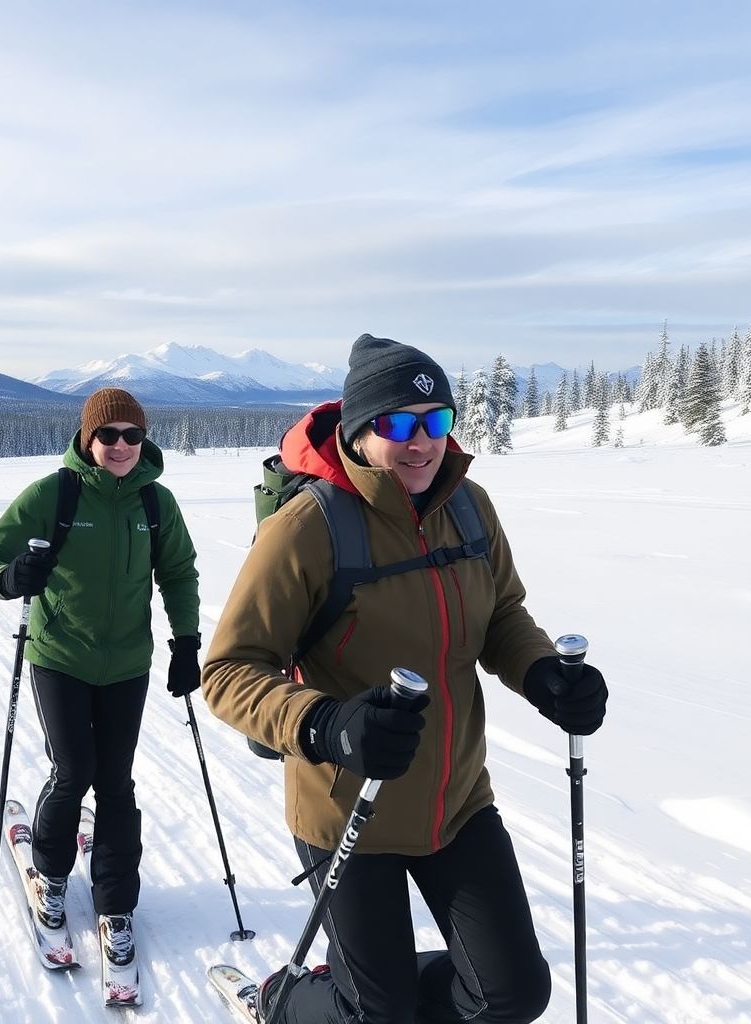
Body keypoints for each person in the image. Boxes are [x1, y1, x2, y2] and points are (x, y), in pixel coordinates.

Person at [202, 334, 608, 1024]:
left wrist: (542, 673)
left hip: (457, 799)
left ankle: (370, 987)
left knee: (512, 993)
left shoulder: (470, 505)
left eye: (436, 421)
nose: (420, 442)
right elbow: (229, 671)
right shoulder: (308, 527)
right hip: (346, 809)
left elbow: (502, 612)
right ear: (359, 432)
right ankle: (287, 998)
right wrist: (327, 723)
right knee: (376, 1014)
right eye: (396, 424)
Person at [0, 387, 201, 963]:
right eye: (108, 435)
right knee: (74, 771)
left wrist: (188, 641)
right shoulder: (54, 494)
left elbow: (179, 572)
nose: (121, 445)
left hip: (127, 663)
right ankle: (51, 873)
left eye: (132, 435)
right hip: (60, 658)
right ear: (87, 437)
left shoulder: (156, 503)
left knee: (116, 782)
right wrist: (10, 577)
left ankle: (115, 902)